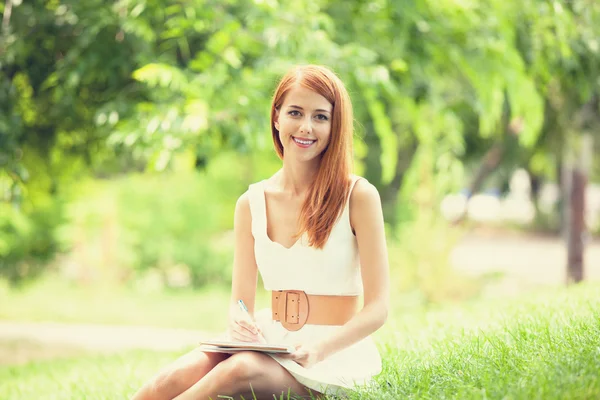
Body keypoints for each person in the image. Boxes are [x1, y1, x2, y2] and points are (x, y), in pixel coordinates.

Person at [131, 64, 390, 399]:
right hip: (272, 342)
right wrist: (239, 321)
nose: (306, 127)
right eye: (295, 112)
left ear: (334, 124)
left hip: (333, 355)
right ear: (276, 117)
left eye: (321, 117)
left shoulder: (359, 196)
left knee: (238, 371)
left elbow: (378, 308)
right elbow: (241, 301)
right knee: (173, 377)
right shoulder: (250, 203)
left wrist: (319, 349)